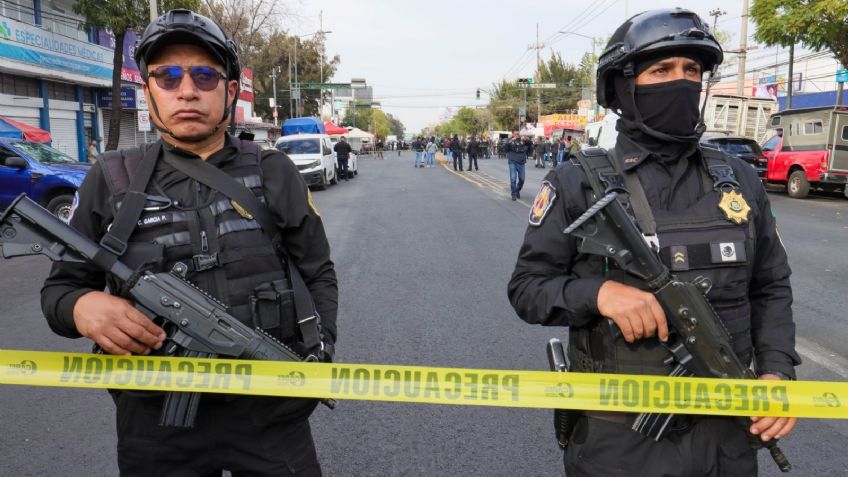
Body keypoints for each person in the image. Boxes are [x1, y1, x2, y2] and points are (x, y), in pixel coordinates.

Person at [40, 10, 337, 476]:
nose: (187, 90)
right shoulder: (111, 177)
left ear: (230, 90)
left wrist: (319, 356)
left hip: (271, 416)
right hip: (155, 426)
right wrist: (82, 308)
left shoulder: (273, 169)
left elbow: (317, 271)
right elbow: (59, 291)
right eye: (167, 76)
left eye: (204, 74)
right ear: (149, 91)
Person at [508, 8, 799, 476]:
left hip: (727, 440)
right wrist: (598, 294)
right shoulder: (577, 182)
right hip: (620, 441)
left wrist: (777, 374)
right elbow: (527, 289)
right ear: (624, 87)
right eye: (661, 70)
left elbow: (770, 286)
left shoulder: (738, 179)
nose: (681, 81)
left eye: (691, 70)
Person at [503, 129, 531, 200]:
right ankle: (514, 194)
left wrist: (526, 139)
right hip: (512, 161)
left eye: (518, 134)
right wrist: (510, 142)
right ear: (512, 134)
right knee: (513, 179)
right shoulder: (509, 140)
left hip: (521, 161)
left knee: (522, 179)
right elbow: (505, 149)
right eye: (515, 134)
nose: (516, 135)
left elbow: (530, 145)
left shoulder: (522, 140)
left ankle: (517, 190)